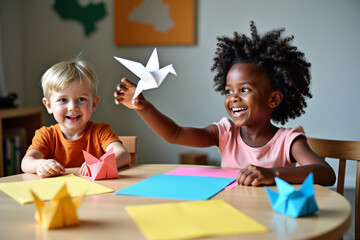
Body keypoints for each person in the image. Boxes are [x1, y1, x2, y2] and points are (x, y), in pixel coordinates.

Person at [114, 21, 336, 187]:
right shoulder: (225, 133)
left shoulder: (287, 141)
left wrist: (273, 174)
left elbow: (326, 173)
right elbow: (176, 134)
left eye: (245, 90)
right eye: (229, 91)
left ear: (274, 99)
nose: (233, 98)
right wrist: (143, 107)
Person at [21, 57, 131, 178]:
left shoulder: (101, 131)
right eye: (63, 100)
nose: (73, 107)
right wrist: (40, 164)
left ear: (93, 104)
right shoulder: (46, 135)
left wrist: (101, 162)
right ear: (49, 105)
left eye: (81, 99)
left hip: (96, 193)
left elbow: (123, 155)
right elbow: (26, 162)